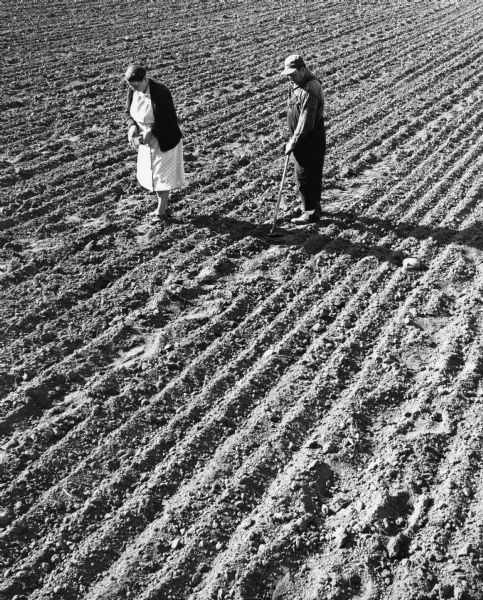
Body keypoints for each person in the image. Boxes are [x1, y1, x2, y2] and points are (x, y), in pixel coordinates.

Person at [124, 64, 185, 224]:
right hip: (145, 140)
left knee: (160, 175)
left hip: (164, 139)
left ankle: (161, 210)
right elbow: (127, 112)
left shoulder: (161, 92)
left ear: (145, 79)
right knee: (151, 173)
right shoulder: (133, 89)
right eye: (131, 86)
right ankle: (162, 208)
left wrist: (153, 131)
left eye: (137, 86)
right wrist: (132, 127)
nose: (134, 89)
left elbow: (170, 120)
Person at [282, 54, 326, 224]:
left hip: (310, 137)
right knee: (302, 174)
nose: (289, 78)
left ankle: (311, 212)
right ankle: (307, 206)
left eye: (292, 74)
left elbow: (306, 120)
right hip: (300, 136)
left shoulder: (311, 88)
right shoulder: (296, 84)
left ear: (302, 69)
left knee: (309, 174)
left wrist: (294, 141)